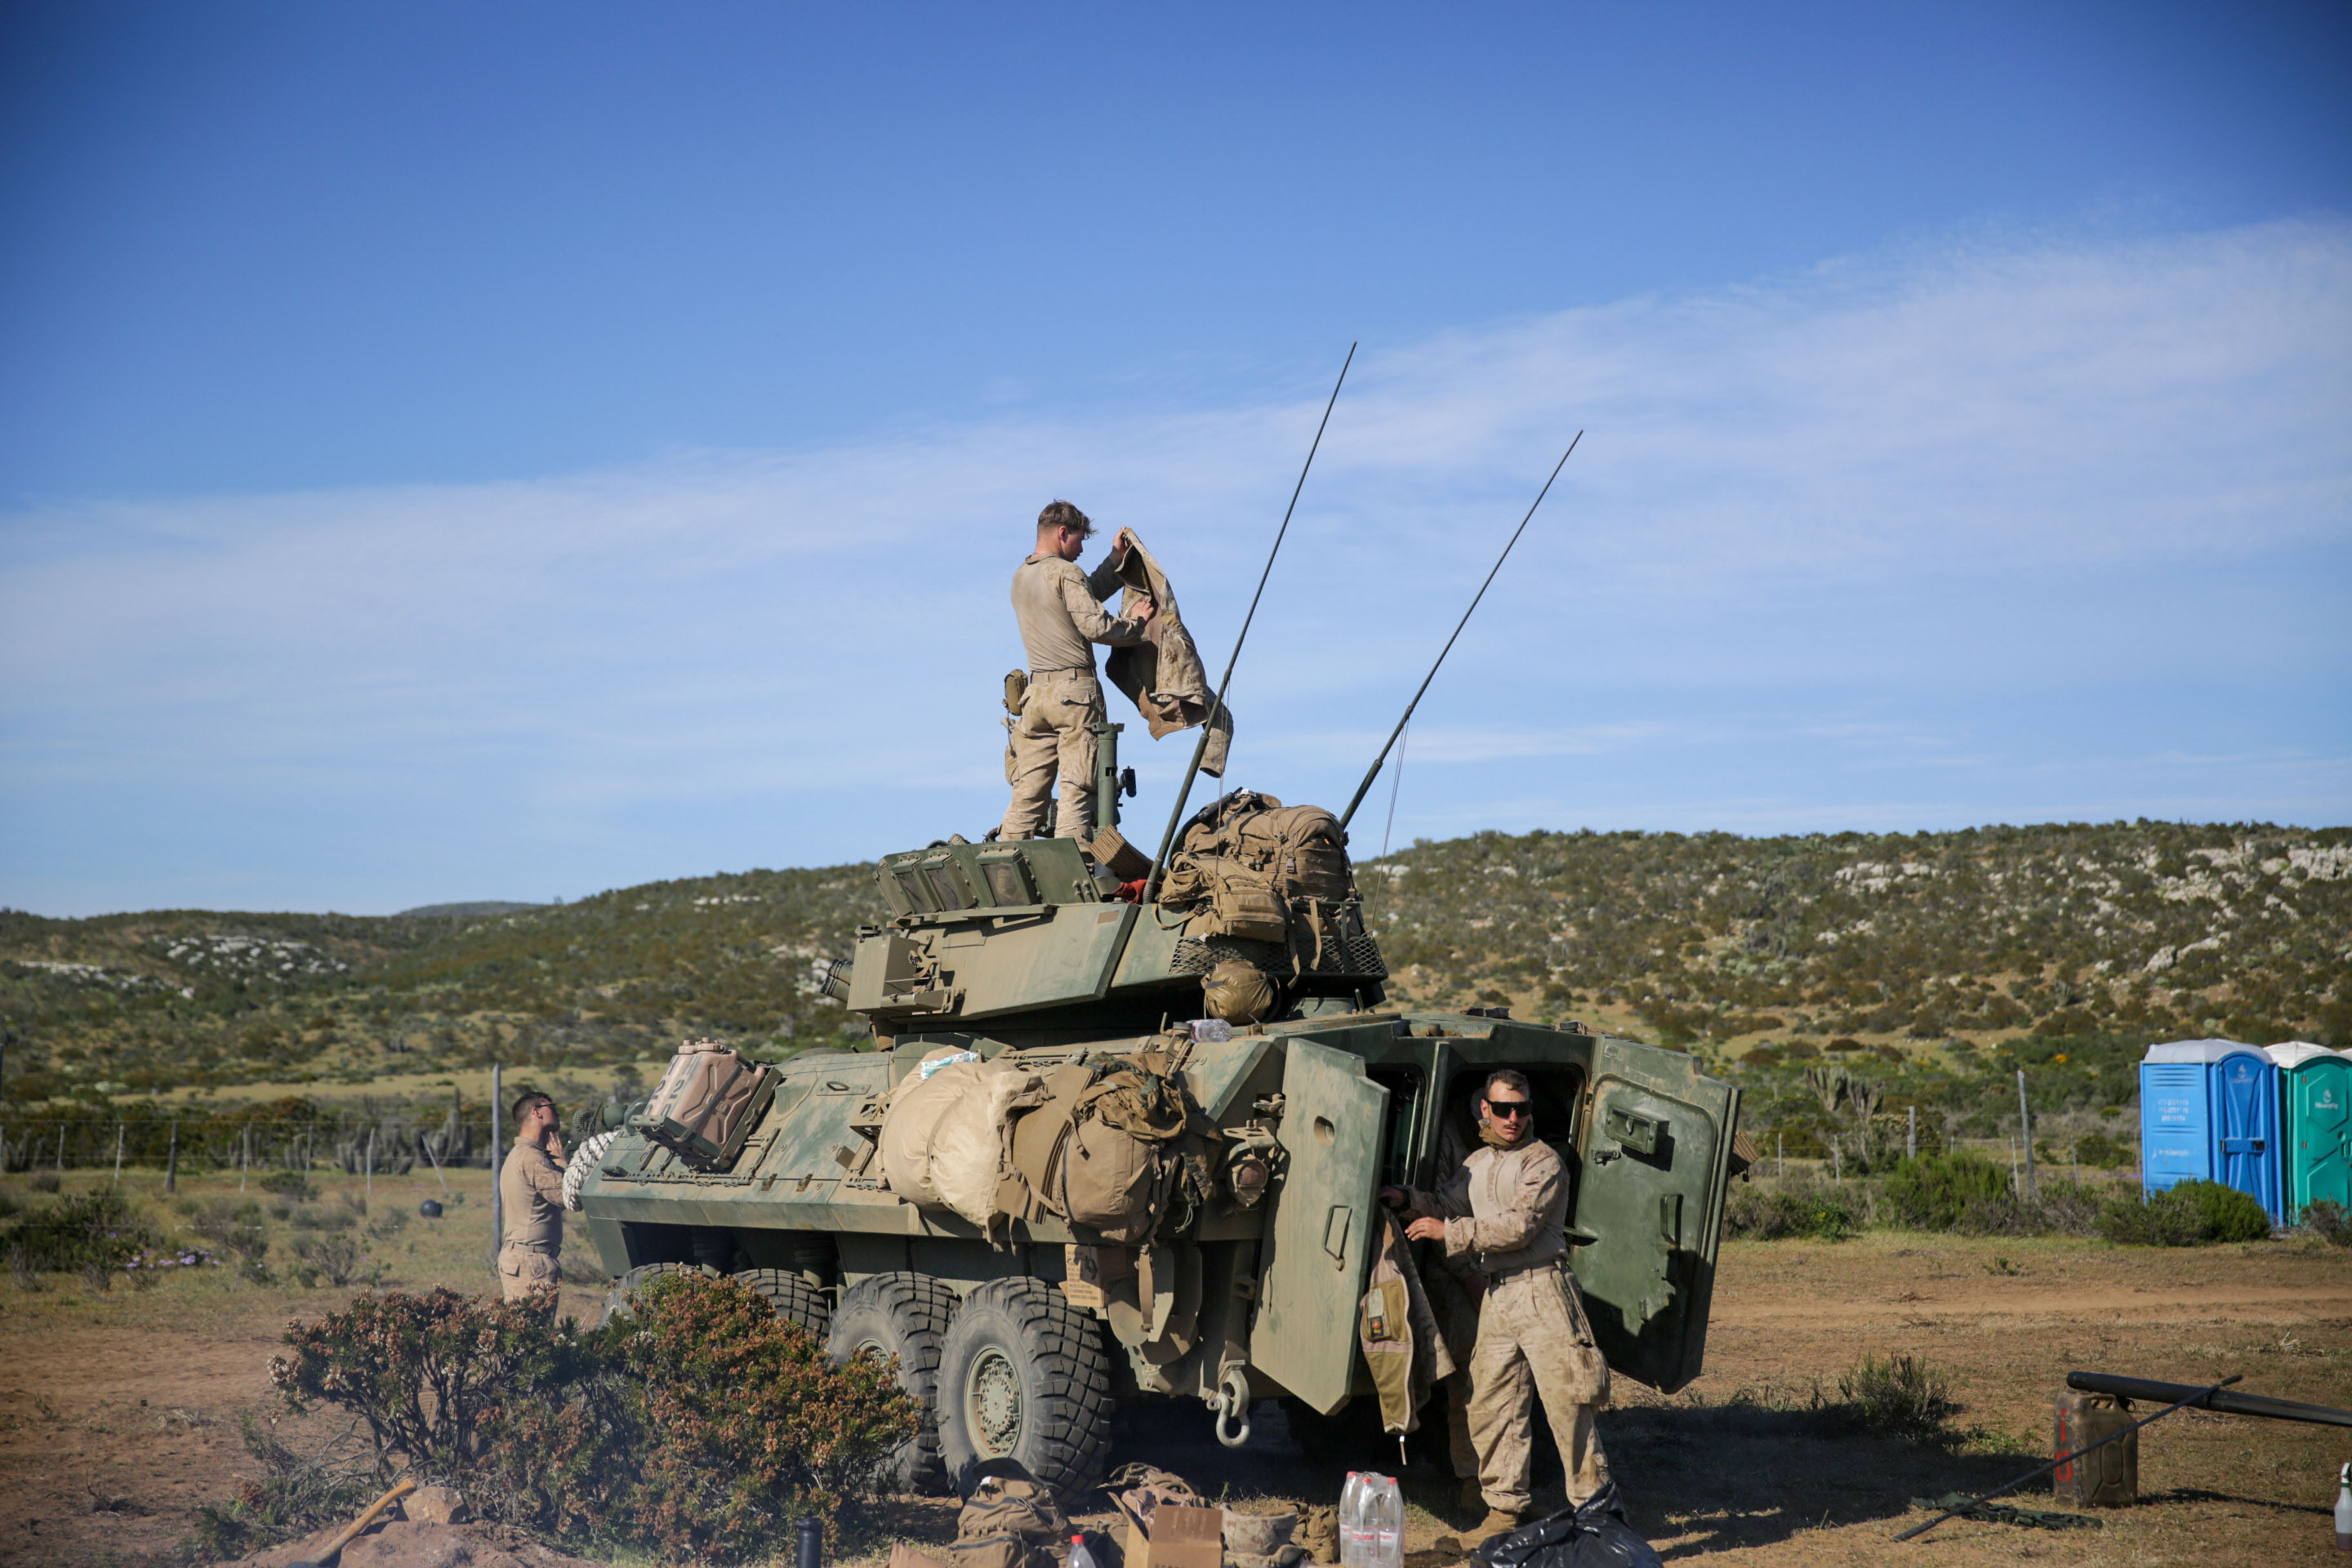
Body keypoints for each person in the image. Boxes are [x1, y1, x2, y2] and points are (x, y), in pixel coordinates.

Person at [1382, 1070, 1610, 1544]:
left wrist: (1451, 1233)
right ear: (1484, 1109)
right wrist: (1407, 1200)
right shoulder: (1478, 1164)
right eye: (1503, 1109)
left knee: (1569, 1404)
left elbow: (1519, 1227)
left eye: (1521, 1109)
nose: (1512, 1118)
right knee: (1490, 1404)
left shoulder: (1542, 1161)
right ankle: (1504, 1511)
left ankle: (1599, 1516)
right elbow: (1446, 1203)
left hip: (1544, 1290)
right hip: (1499, 1294)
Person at [1000, 500, 1156, 843]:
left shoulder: (1021, 576)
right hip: (1074, 696)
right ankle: (1076, 864)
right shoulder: (1066, 573)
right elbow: (1095, 626)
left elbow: (1082, 596)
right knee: (1079, 787)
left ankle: (1003, 865)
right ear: (1062, 533)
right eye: (1079, 540)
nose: (1082, 549)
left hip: (1035, 698)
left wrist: (1114, 561)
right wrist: (1137, 624)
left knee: (1027, 795)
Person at [497, 1091, 568, 1303]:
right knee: (534, 1322)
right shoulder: (532, 1157)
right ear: (537, 1112)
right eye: (552, 1108)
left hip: (525, 1258)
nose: (557, 1113)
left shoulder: (519, 1154)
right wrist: (562, 1163)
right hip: (532, 1261)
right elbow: (565, 1195)